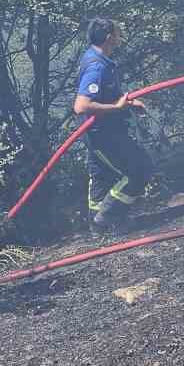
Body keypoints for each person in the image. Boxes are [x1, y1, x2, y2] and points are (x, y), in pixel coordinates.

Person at [73, 17, 151, 233]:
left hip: (99, 131)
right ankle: (106, 218)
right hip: (102, 134)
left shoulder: (97, 59)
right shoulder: (96, 67)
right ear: (109, 38)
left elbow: (105, 94)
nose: (119, 38)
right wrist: (117, 108)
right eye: (117, 34)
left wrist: (128, 103)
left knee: (102, 175)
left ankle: (97, 227)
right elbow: (81, 106)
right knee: (140, 170)